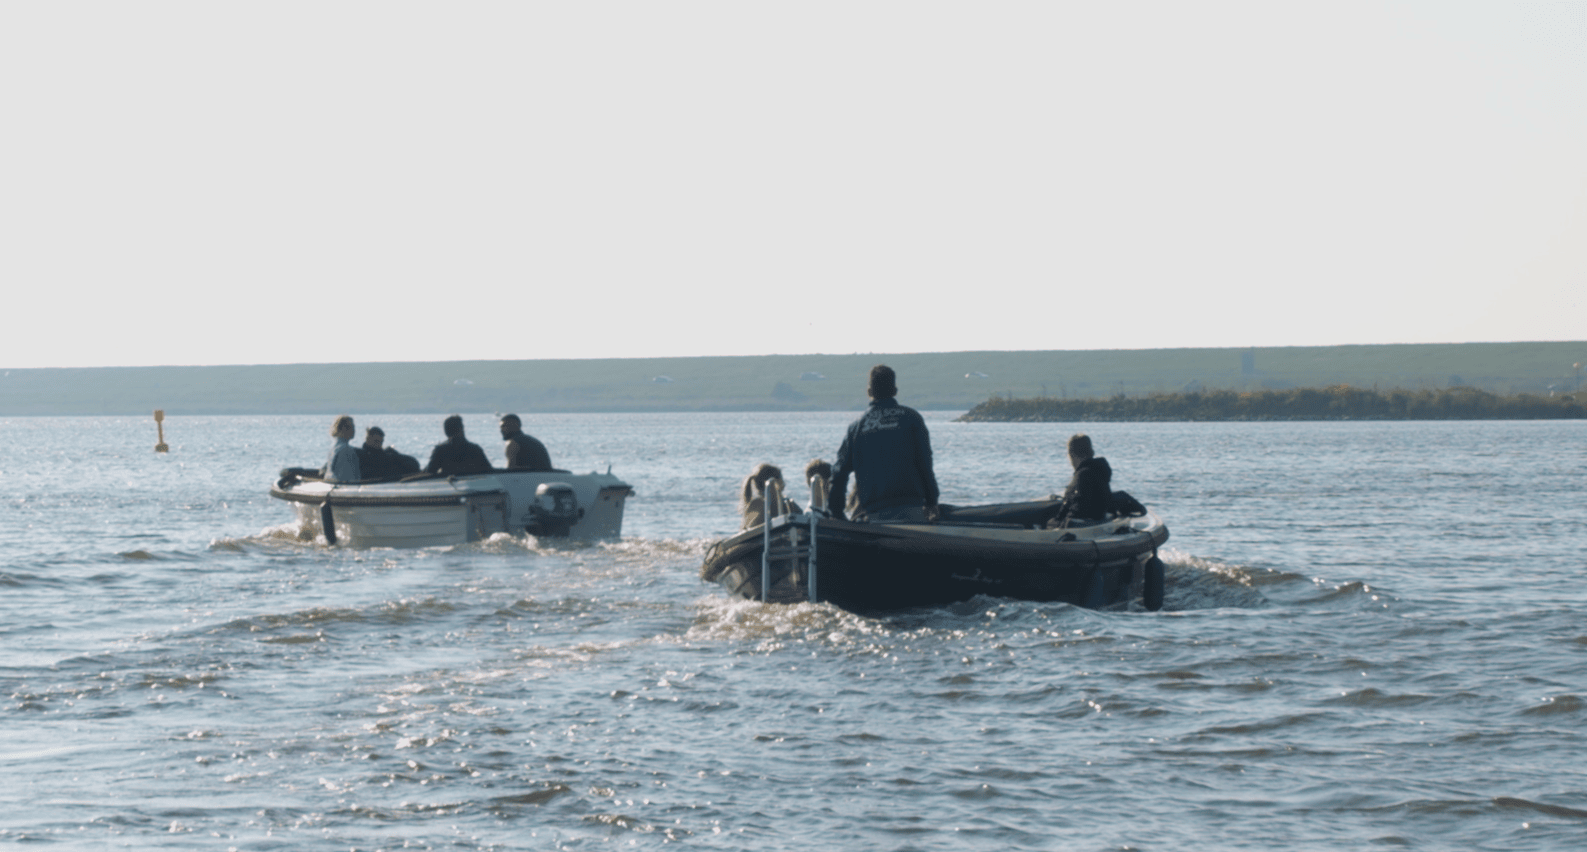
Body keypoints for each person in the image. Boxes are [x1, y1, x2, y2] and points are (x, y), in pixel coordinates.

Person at [828, 365, 940, 522]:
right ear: (895, 391)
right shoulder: (911, 418)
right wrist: (932, 501)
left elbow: (839, 474)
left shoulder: (857, 427)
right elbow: (925, 464)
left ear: (869, 392)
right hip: (911, 510)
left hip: (874, 515)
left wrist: (836, 512)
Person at [1051, 433, 1113, 525]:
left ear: (1071, 454)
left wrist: (1057, 522)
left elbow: (1079, 509)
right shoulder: (1099, 471)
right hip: (1100, 520)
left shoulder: (1082, 476)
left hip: (1084, 526)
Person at [423, 414, 494, 476]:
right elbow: (488, 470)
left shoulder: (440, 450)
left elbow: (430, 471)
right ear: (462, 429)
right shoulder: (475, 449)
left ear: (445, 432)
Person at [739, 463, 801, 529]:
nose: (784, 483)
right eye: (782, 479)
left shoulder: (752, 505)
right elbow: (803, 519)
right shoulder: (787, 505)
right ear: (776, 482)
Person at [322, 414, 361, 483]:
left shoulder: (333, 449)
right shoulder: (346, 450)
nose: (353, 430)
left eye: (353, 427)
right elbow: (347, 478)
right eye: (350, 427)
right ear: (341, 429)